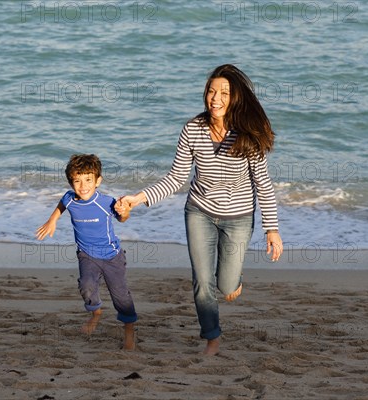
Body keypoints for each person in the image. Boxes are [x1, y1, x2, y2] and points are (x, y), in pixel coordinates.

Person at [117, 64, 283, 356]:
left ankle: (233, 280)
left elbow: (264, 185)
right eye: (211, 91)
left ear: (236, 98)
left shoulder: (247, 135)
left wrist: (272, 229)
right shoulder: (193, 129)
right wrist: (138, 198)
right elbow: (177, 178)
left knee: (226, 285)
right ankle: (212, 337)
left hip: (239, 218)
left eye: (224, 93)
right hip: (200, 211)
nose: (215, 98)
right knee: (202, 281)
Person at [36, 154, 137, 351]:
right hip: (86, 254)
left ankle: (129, 332)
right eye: (77, 181)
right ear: (71, 182)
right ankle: (96, 313)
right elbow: (62, 204)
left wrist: (125, 212)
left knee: (121, 297)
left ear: (98, 180)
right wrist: (52, 220)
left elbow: (123, 218)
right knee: (86, 286)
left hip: (112, 257)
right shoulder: (70, 198)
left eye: (88, 180)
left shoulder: (106, 202)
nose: (83, 186)